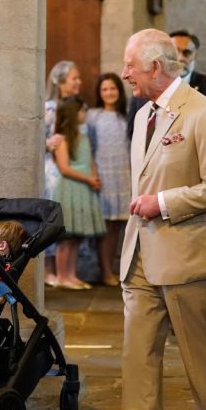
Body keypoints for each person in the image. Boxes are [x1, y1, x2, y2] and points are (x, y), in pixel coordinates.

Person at [119, 29, 206, 410]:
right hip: (139, 256)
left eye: (130, 66)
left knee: (201, 364)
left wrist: (163, 202)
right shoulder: (141, 116)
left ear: (154, 67)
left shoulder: (204, 113)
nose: (124, 73)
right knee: (138, 360)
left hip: (188, 258)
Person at [52, 97, 106, 290]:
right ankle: (62, 276)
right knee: (66, 238)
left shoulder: (82, 137)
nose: (85, 114)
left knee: (77, 237)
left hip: (84, 189)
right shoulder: (62, 139)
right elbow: (64, 168)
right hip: (70, 189)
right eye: (82, 111)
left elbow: (89, 161)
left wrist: (95, 176)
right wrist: (88, 179)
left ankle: (71, 274)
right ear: (74, 113)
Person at [86, 73, 131, 287]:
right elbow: (89, 148)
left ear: (119, 91)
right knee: (104, 225)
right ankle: (104, 270)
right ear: (99, 93)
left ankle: (114, 268)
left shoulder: (127, 115)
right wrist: (93, 173)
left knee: (117, 225)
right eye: (104, 89)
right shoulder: (93, 116)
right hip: (103, 173)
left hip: (124, 174)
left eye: (113, 88)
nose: (109, 93)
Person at [43, 61, 82, 287]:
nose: (78, 82)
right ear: (59, 81)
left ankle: (66, 269)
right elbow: (37, 139)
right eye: (74, 78)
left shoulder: (75, 107)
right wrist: (48, 143)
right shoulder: (50, 108)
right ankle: (48, 270)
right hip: (52, 169)